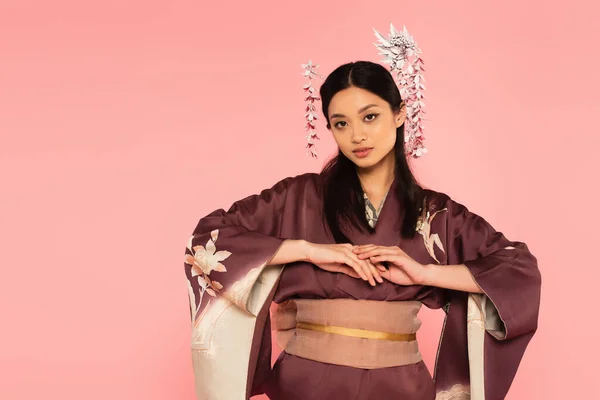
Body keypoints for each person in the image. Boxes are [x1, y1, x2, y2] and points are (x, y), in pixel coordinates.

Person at [184, 61, 541, 400]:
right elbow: (207, 241)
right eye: (341, 123)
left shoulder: (436, 213)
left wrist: (426, 272)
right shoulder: (297, 197)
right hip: (306, 383)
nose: (357, 135)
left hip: (401, 384)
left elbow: (517, 268)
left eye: (370, 117)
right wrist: (307, 249)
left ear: (399, 114)